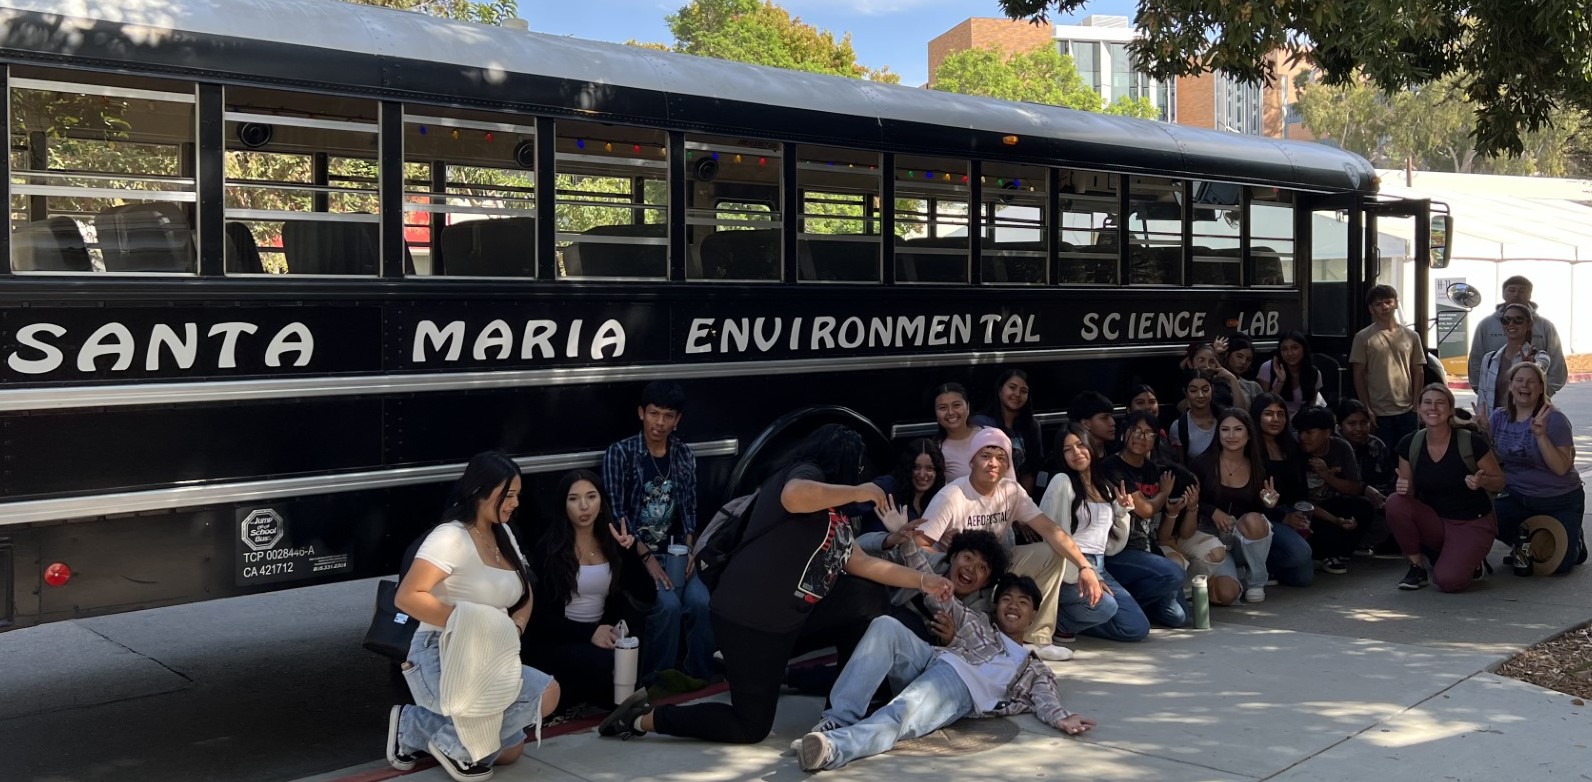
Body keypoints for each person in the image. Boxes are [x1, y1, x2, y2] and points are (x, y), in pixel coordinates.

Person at [597, 424, 954, 745]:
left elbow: (864, 564)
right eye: (857, 466)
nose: (862, 473)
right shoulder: (801, 475)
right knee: (750, 728)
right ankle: (642, 719)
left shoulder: (837, 516)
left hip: (790, 618)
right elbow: (794, 496)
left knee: (867, 595)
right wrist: (858, 489)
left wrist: (926, 580)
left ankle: (840, 711)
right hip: (749, 622)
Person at [795, 574, 1094, 772]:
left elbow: (1045, 698)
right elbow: (940, 594)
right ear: (997, 606)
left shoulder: (1033, 667)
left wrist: (1061, 717)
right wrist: (908, 539)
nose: (1013, 605)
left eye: (1023, 602)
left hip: (959, 686)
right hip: (932, 660)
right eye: (1006, 599)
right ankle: (837, 720)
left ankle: (833, 749)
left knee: (901, 712)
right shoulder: (977, 623)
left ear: (1032, 615)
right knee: (885, 626)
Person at [388, 451, 560, 782]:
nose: (515, 503)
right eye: (508, 495)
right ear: (482, 492)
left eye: (517, 495)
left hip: (492, 654)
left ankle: (414, 727)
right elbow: (407, 597)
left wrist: (514, 628)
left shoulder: (504, 534)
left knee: (510, 751)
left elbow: (525, 592)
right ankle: (450, 743)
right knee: (546, 694)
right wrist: (471, 625)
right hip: (443, 649)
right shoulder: (449, 537)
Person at [913, 427, 1107, 662]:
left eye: (1000, 458)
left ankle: (1036, 638)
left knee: (1050, 552)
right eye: (985, 456)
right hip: (960, 578)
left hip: (996, 567)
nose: (993, 463)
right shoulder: (952, 496)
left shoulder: (1011, 491)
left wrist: (1085, 567)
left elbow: (1051, 530)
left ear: (1007, 466)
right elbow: (918, 545)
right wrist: (946, 564)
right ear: (972, 461)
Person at [601, 381, 713, 685]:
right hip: (636, 558)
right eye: (654, 414)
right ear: (641, 413)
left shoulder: (683, 455)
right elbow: (618, 514)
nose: (659, 423)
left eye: (667, 416)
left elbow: (690, 510)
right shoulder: (621, 454)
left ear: (677, 420)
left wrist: (689, 549)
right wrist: (646, 557)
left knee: (701, 602)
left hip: (675, 552)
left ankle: (700, 677)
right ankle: (657, 682)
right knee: (667, 606)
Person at [523, 470, 655, 709]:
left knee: (630, 648)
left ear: (601, 503)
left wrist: (630, 551)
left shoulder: (612, 542)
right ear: (563, 505)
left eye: (591, 497)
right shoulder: (550, 549)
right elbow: (541, 619)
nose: (584, 506)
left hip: (604, 633)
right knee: (603, 663)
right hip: (561, 639)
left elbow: (648, 595)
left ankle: (618, 701)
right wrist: (590, 633)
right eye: (573, 499)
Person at [1387, 384, 1505, 592]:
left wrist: (1482, 482)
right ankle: (1416, 567)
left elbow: (1500, 481)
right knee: (1396, 501)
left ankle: (1471, 559)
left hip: (1471, 521)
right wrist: (1403, 487)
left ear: (1451, 410)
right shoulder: (1410, 444)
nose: (1434, 408)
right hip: (1436, 521)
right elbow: (1409, 494)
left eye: (1440, 403)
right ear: (1419, 408)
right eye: (1428, 403)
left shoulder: (1472, 443)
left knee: (1448, 581)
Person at [1038, 424, 1144, 641]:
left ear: (1090, 446)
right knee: (1106, 606)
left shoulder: (1103, 486)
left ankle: (1071, 618)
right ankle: (1061, 623)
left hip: (1100, 565)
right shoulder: (1062, 482)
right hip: (1068, 568)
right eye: (1067, 449)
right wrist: (1087, 572)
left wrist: (1122, 512)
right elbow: (1053, 536)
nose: (1076, 453)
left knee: (1136, 628)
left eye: (1080, 445)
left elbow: (1111, 546)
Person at [1488, 362, 1586, 574]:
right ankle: (1527, 542)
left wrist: (1541, 436)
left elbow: (1561, 468)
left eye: (1532, 381)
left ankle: (1575, 542)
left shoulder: (1555, 420)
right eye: (1520, 380)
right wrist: (1477, 429)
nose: (1526, 385)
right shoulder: (1498, 418)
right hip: (1517, 496)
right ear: (1511, 385)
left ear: (1541, 388)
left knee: (1560, 567)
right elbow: (1489, 458)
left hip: (1560, 500)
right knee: (1487, 517)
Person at [1101, 410, 1193, 628]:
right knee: (1175, 574)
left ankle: (1139, 605)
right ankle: (1127, 603)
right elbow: (1145, 510)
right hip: (1121, 549)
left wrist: (1173, 507)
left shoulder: (1153, 470)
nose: (1141, 437)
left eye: (1149, 433)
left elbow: (1157, 518)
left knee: (1179, 618)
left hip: (1147, 548)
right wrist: (1164, 492)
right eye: (1136, 431)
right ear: (1124, 433)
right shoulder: (1111, 466)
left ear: (1155, 440)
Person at [1192, 409, 1280, 603]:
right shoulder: (1202, 463)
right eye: (1225, 430)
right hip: (1211, 535)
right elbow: (1190, 500)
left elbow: (1260, 509)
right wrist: (1212, 511)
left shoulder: (1259, 466)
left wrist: (1269, 503)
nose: (1231, 436)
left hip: (1242, 534)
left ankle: (1256, 581)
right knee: (1225, 595)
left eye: (1238, 429)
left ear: (1249, 434)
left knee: (1254, 521)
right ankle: (1232, 575)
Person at [864, 527, 1008, 643]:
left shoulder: (981, 610)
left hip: (919, 651)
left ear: (987, 581)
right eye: (968, 558)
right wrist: (890, 539)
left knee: (909, 622)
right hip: (885, 615)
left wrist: (952, 640)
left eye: (982, 568)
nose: (971, 569)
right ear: (952, 557)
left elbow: (973, 650)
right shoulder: (930, 561)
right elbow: (861, 552)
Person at [1248, 394, 1316, 590]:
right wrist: (1283, 518)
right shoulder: (1249, 449)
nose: (1275, 419)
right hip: (1261, 517)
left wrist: (1302, 516)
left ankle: (1267, 564)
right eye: (1268, 414)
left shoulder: (1292, 447)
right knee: (1299, 554)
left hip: (1290, 512)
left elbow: (1302, 490)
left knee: (1302, 578)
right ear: (1257, 416)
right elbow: (1250, 497)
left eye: (1280, 414)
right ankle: (1251, 563)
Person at [1293, 406, 1370, 575]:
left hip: (1332, 503)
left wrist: (1327, 475)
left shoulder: (1341, 447)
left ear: (1327, 432)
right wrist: (1336, 521)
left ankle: (1341, 552)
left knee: (1364, 507)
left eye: (1309, 432)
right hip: (1307, 511)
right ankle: (1325, 555)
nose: (1302, 437)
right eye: (1300, 432)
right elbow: (1300, 500)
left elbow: (1355, 488)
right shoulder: (1294, 451)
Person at [1350, 284, 1425, 452]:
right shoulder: (1362, 338)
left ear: (1396, 303)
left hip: (1407, 411)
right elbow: (1358, 374)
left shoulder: (1412, 336)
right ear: (1371, 309)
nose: (1384, 307)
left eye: (1388, 302)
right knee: (1383, 459)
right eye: (1378, 304)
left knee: (1409, 455)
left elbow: (1418, 371)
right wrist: (1366, 408)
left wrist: (1415, 405)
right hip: (1378, 413)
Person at [1468, 275, 1567, 396]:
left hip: (1532, 401)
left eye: (1522, 291)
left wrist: (1543, 394)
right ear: (1503, 294)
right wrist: (1483, 393)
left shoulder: (1545, 326)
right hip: (1494, 403)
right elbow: (1476, 361)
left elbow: (1556, 364)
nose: (1516, 294)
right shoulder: (1486, 325)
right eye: (1511, 290)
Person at [1338, 398, 1396, 554]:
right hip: (1345, 506)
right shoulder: (1333, 447)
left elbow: (1390, 480)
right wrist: (1364, 491)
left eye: (1364, 423)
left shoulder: (1376, 445)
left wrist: (1384, 500)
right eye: (1352, 423)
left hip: (1377, 504)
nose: (1359, 428)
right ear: (1340, 426)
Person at [1473, 302, 1552, 415]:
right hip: (1495, 426)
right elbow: (1483, 398)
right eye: (1506, 320)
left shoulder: (1539, 356)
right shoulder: (1490, 359)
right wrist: (1482, 425)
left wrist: (1530, 367)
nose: (1511, 324)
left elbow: (1541, 365)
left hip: (1526, 426)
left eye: (1518, 320)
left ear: (1529, 324)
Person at [973, 369, 1043, 494]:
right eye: (1012, 387)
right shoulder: (981, 424)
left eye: (1023, 391)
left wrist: (1025, 504)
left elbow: (1030, 471)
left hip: (1017, 497)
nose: (1017, 394)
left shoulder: (1032, 426)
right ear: (1000, 390)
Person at [856, 438, 946, 536]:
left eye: (929, 468)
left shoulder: (937, 498)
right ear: (907, 467)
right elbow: (853, 501)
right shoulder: (888, 486)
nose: (922, 475)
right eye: (916, 467)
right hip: (871, 549)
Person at [1257, 331, 1326, 417]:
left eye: (1295, 348)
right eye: (1284, 349)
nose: (1289, 353)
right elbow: (1264, 405)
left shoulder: (1314, 373)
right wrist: (1280, 382)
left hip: (1300, 421)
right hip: (1275, 419)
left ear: (1303, 349)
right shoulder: (1267, 368)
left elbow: (1311, 406)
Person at [932, 382, 987, 483]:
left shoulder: (989, 435)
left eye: (956, 405)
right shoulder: (936, 450)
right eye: (943, 408)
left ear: (968, 407)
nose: (950, 412)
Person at [1169, 369, 1220, 464]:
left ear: (1212, 389)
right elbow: (1181, 466)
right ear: (1185, 392)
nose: (1200, 395)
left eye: (1205, 390)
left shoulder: (1224, 418)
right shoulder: (1179, 426)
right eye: (1193, 390)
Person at [1126, 384, 1179, 464]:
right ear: (1128, 409)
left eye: (1152, 402)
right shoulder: (1125, 438)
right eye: (1140, 403)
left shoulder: (1162, 435)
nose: (1147, 407)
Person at [1066, 391, 1118, 458]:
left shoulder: (1117, 454)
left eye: (1111, 417)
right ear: (1085, 424)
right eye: (1105, 418)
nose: (1113, 423)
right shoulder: (1074, 458)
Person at [1218, 334, 1265, 405]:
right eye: (1239, 356)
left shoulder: (1253, 387)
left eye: (1248, 359)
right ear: (1227, 354)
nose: (1243, 362)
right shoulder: (1213, 382)